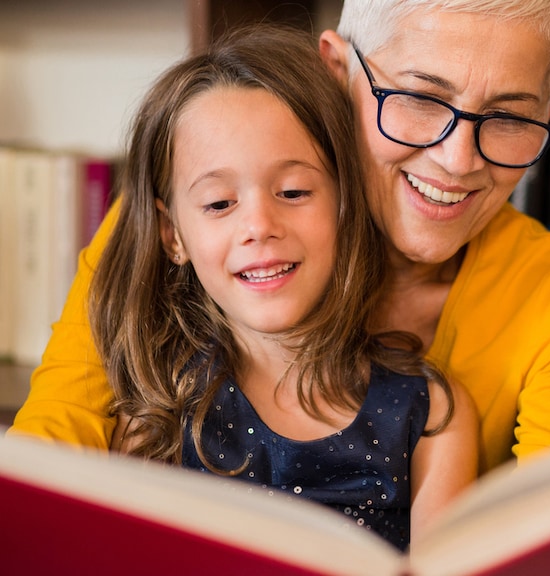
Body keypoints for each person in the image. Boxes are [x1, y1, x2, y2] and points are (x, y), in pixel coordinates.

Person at [10, 0, 550, 474]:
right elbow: (50, 458)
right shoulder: (195, 225)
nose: (456, 159)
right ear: (337, 71)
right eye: (420, 98)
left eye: (508, 116)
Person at [89, 25, 477, 550]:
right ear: (172, 235)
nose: (260, 225)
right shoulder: (157, 412)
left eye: (293, 191)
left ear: (347, 203)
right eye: (219, 204)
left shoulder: (431, 413)